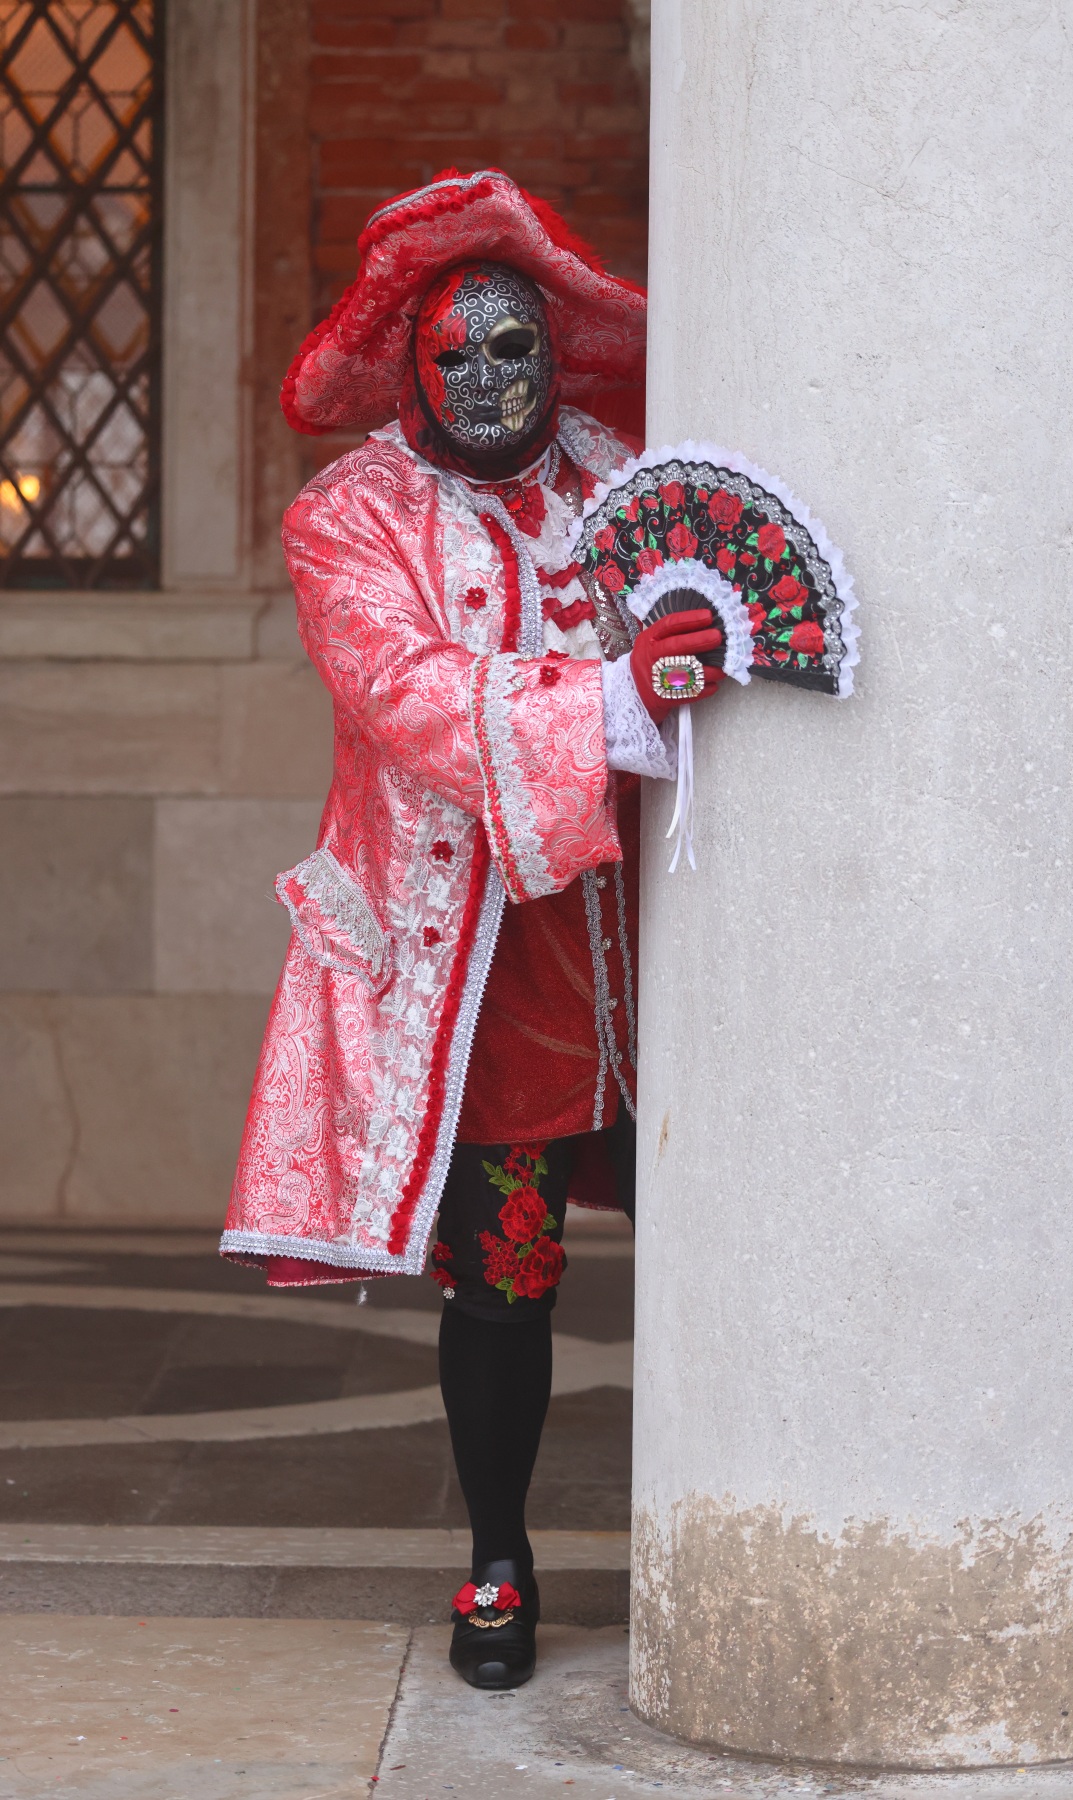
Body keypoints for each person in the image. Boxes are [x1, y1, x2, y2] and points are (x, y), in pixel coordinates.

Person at [221, 169, 727, 1689]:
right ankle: (498, 1556)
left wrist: (692, 652)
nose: (499, 382)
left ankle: (740, 1527)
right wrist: (613, 702)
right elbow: (411, 698)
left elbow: (704, 609)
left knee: (734, 1234)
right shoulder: (349, 518)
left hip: (666, 951)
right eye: (466, 355)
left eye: (523, 350)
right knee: (507, 1274)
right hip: (491, 965)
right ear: (415, 364)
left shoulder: (615, 475)